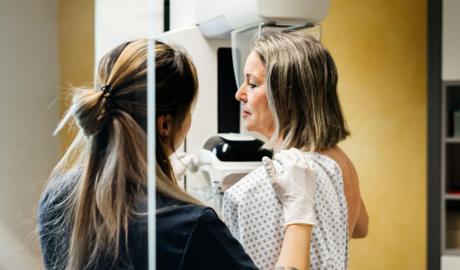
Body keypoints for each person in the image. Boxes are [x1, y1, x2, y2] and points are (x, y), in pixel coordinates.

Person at [37, 39, 318, 270]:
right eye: (190, 110)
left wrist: (156, 180)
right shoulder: (191, 227)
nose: (240, 94)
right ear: (166, 124)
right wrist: (299, 213)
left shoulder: (57, 197)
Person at [222, 32, 369, 269]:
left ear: (286, 97)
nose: (239, 94)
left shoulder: (288, 176)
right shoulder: (337, 162)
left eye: (252, 84)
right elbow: (360, 227)